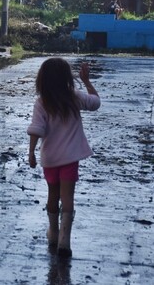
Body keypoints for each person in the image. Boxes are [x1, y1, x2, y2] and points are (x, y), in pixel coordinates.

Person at [27, 58, 100, 258]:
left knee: (52, 195)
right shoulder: (74, 97)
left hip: (50, 158)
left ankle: (53, 233)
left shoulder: (41, 102)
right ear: (67, 78)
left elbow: (36, 129)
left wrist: (31, 152)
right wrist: (86, 81)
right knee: (68, 197)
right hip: (70, 159)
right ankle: (64, 241)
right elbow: (96, 103)